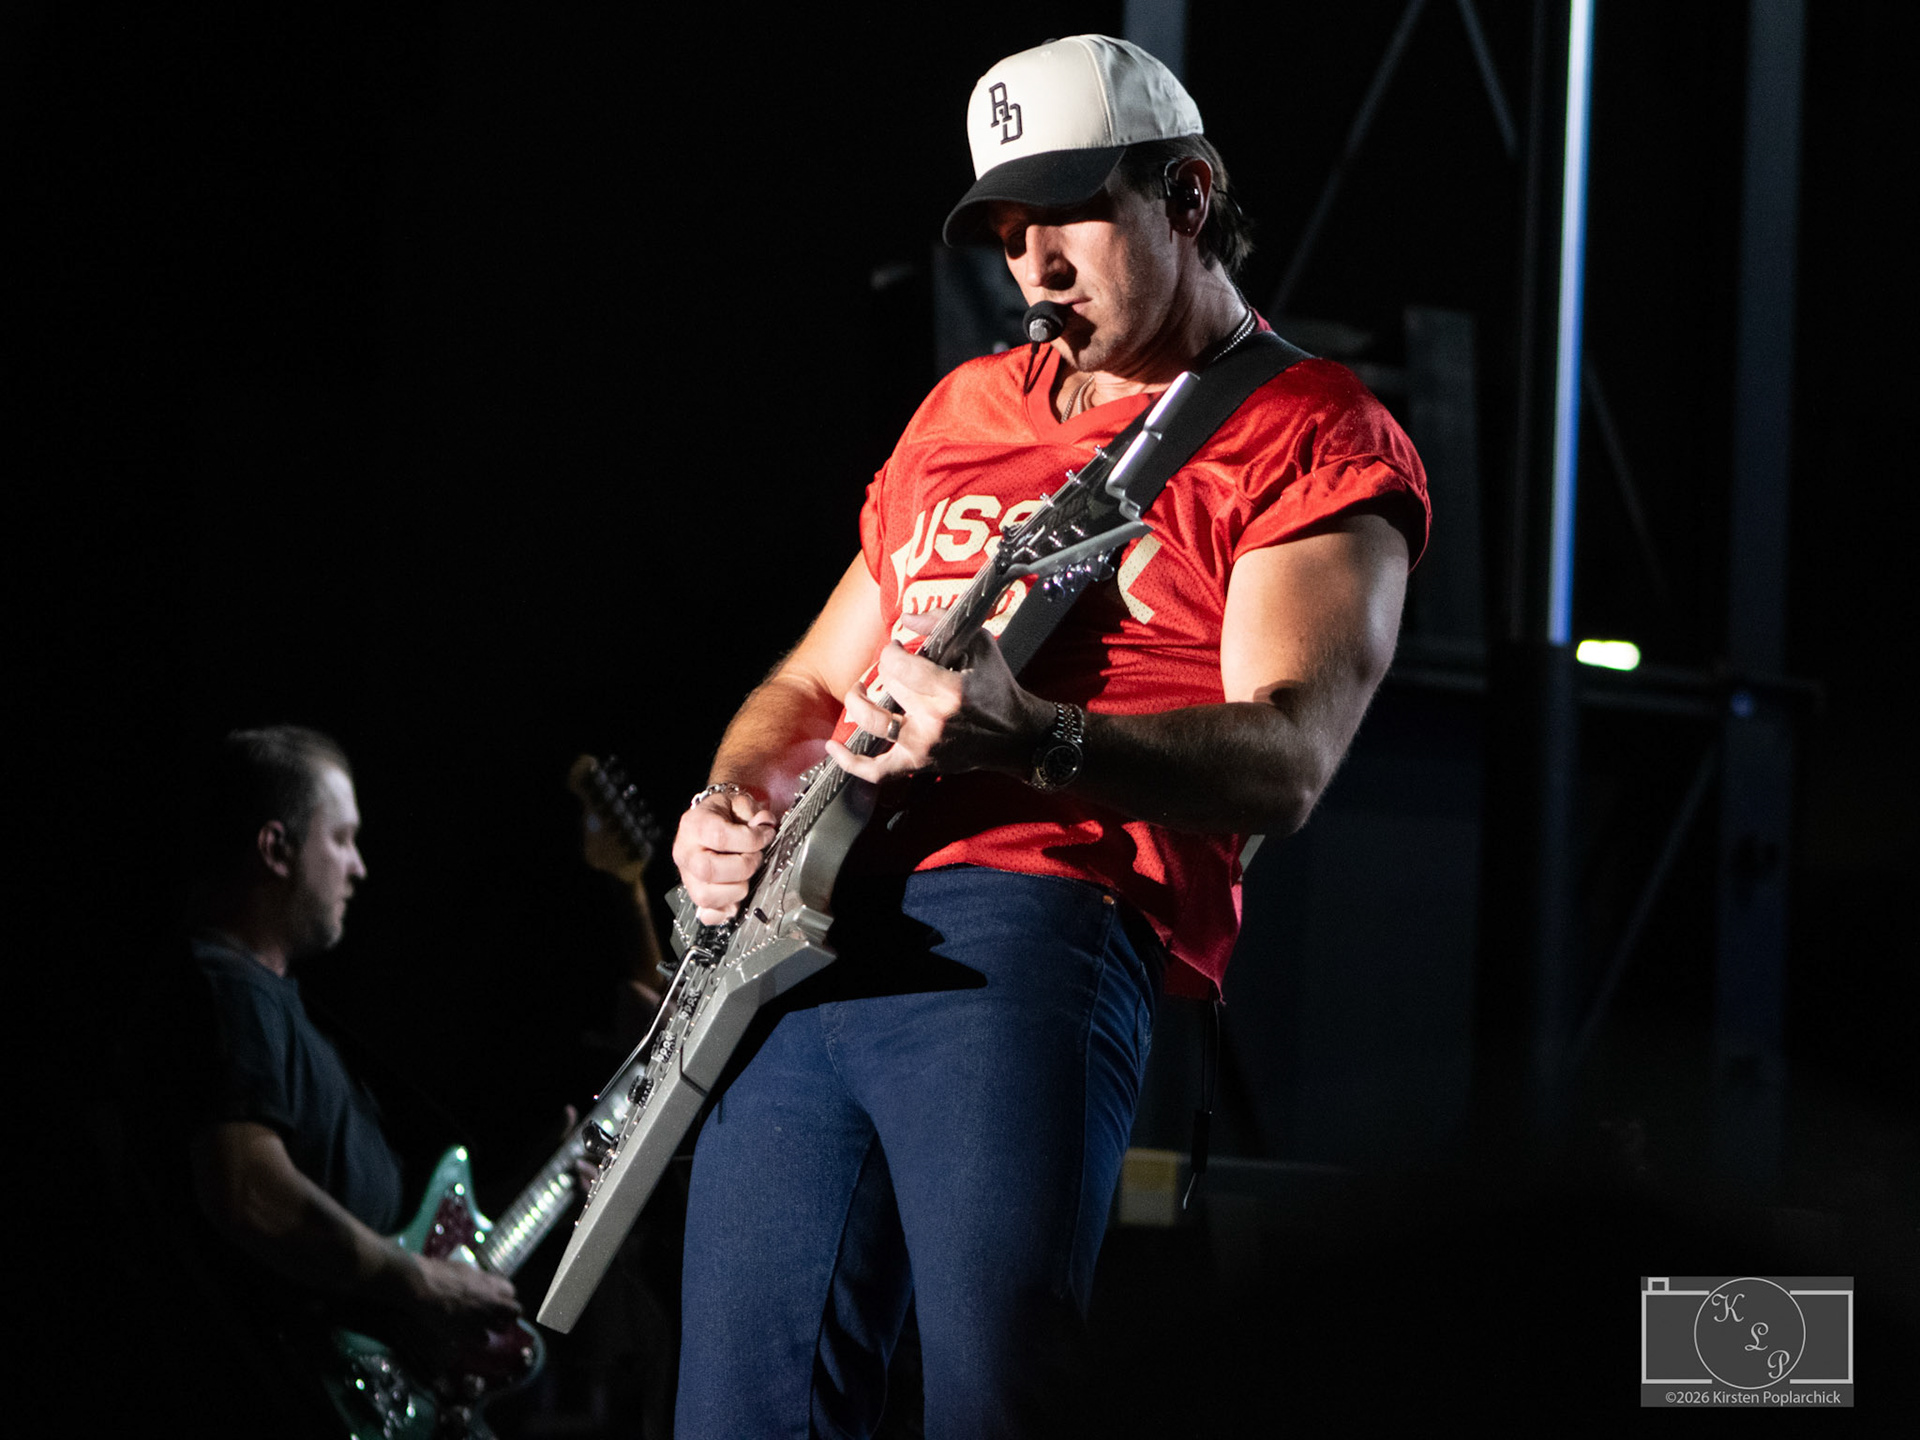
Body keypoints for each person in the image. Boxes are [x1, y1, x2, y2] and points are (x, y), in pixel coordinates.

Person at [668, 34, 1429, 1438]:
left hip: (1029, 921)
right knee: (741, 1410)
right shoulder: (964, 407)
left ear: (1188, 195)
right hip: (804, 935)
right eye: (1010, 233)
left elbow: (1289, 761)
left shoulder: (1306, 427)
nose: (1035, 268)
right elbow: (811, 682)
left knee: (993, 1400)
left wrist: (1033, 740)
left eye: (1069, 215)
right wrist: (729, 800)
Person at [142, 725, 520, 1434]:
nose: (359, 867)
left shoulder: (270, 1001)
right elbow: (248, 1193)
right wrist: (420, 1282)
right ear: (276, 849)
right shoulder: (229, 990)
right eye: (342, 839)